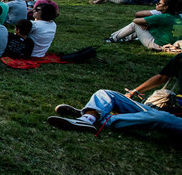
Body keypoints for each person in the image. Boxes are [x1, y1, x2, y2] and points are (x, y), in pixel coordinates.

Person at [47, 53, 182, 134]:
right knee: (105, 94)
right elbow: (162, 77)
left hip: (172, 117)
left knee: (159, 118)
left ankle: (97, 118)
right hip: (169, 110)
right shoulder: (180, 58)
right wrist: (135, 92)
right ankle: (88, 118)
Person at [105, 0, 182, 51]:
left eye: (159, 3)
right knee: (143, 25)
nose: (157, 4)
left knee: (136, 24)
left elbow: (135, 20)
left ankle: (113, 38)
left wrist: (144, 23)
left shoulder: (161, 17)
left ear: (166, 7)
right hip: (172, 43)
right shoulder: (178, 17)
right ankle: (125, 38)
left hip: (157, 45)